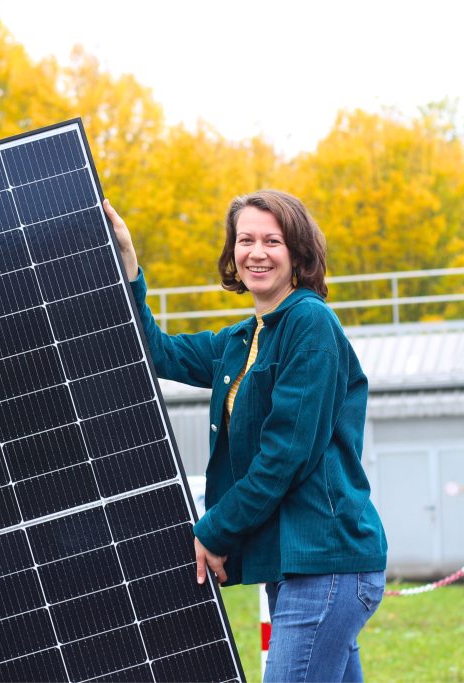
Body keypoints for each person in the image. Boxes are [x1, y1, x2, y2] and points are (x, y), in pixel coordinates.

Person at [104, 190, 387, 683]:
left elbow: (286, 454)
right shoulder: (243, 338)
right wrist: (128, 265)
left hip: (326, 563)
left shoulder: (310, 324)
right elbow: (158, 352)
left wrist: (215, 528)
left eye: (272, 241)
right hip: (295, 565)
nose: (257, 252)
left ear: (297, 252)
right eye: (245, 240)